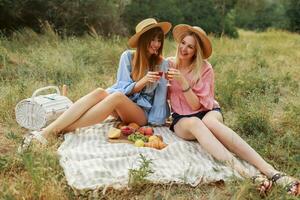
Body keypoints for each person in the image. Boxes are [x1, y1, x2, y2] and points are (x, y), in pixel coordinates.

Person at [167, 24, 299, 196]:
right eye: (183, 43)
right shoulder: (169, 64)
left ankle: (271, 171)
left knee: (209, 121)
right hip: (183, 119)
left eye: (190, 46)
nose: (184, 48)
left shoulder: (205, 68)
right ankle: (247, 174)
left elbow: (197, 106)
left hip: (206, 110)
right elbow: (182, 106)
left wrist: (183, 81)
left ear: (196, 51)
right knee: (196, 123)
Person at [20, 18, 171, 150]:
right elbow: (122, 87)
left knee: (116, 97)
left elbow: (160, 97)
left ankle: (52, 131)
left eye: (159, 40)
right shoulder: (127, 57)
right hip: (123, 104)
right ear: (143, 40)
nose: (157, 44)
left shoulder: (162, 63)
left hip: (141, 115)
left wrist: (154, 122)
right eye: (153, 39)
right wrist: (142, 81)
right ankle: (48, 132)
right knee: (100, 92)